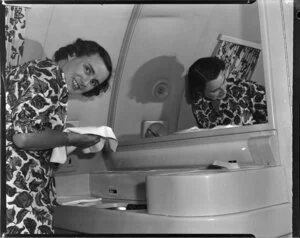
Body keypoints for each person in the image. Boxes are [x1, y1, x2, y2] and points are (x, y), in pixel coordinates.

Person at [5, 38, 113, 234]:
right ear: (73, 54)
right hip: (14, 197)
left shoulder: (47, 77)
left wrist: (64, 142)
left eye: (94, 81)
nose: (86, 82)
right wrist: (71, 138)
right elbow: (24, 138)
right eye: (88, 70)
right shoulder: (50, 76)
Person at [186, 56, 268, 129]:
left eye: (224, 81)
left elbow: (276, 116)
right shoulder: (198, 106)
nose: (223, 91)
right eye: (215, 90)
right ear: (200, 92)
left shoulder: (246, 89)